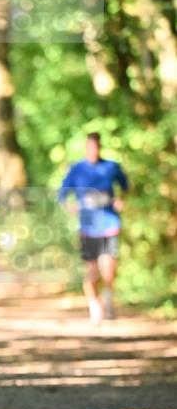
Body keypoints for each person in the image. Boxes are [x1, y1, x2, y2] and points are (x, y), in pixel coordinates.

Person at [58, 131, 129, 323]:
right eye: (89, 147)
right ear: (85, 148)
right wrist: (70, 206)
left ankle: (108, 299)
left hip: (109, 222)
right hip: (88, 225)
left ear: (100, 147)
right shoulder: (77, 169)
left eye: (96, 147)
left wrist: (121, 200)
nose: (93, 150)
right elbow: (62, 194)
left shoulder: (111, 167)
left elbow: (126, 186)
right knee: (92, 270)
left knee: (109, 267)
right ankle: (94, 305)